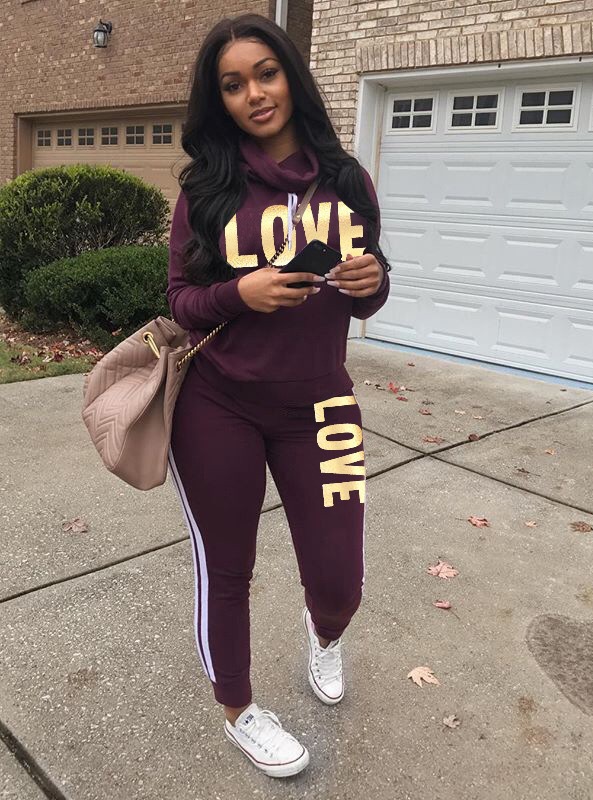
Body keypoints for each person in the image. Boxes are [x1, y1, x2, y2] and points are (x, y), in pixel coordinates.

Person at [166, 12, 391, 779]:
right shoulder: (207, 190)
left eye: (266, 73)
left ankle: (325, 634)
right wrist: (242, 292)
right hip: (217, 406)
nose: (254, 94)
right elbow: (181, 301)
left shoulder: (348, 180)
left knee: (339, 580)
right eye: (233, 85)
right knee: (225, 568)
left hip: (323, 406)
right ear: (220, 100)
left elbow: (367, 293)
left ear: (291, 76)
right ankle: (239, 710)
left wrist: (372, 281)